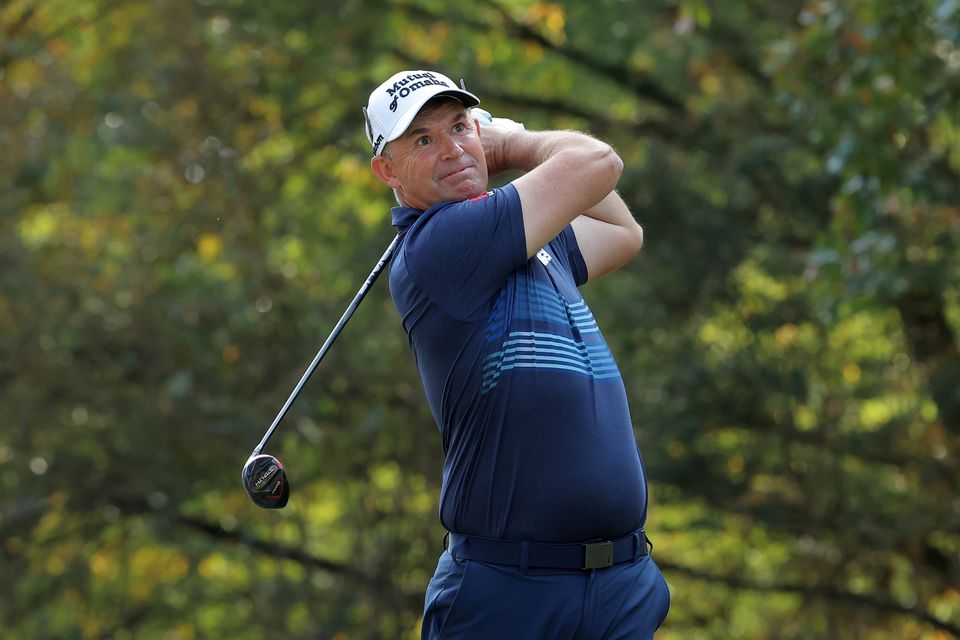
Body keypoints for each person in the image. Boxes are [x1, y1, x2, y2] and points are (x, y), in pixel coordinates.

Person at [363, 69, 670, 639]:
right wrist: (514, 144)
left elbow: (623, 229)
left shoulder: (529, 240)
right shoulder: (442, 243)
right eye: (424, 140)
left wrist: (492, 151)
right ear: (388, 171)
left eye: (460, 127)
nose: (453, 148)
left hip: (619, 588)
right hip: (512, 595)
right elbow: (599, 161)